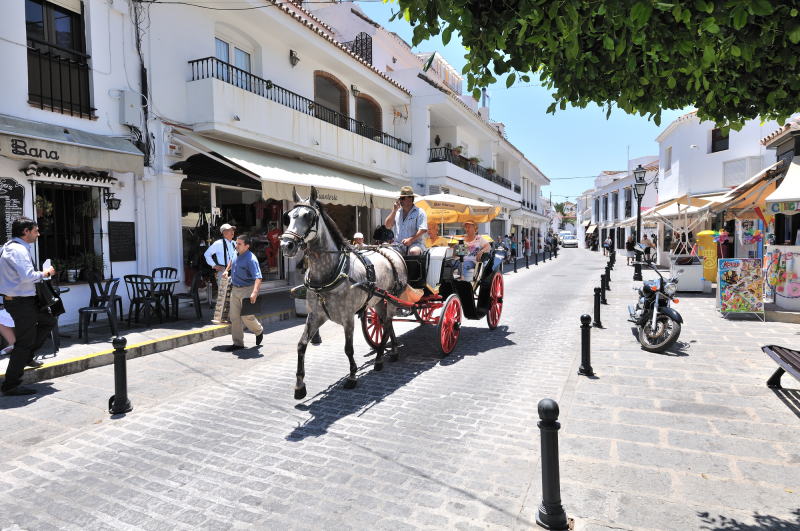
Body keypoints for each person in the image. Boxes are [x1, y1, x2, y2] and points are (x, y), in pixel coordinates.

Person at [0, 217, 57, 396]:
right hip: (20, 302)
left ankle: (28, 356)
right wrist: (46, 272)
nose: (38, 234)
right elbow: (28, 276)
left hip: (24, 301)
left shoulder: (10, 247)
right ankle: (11, 384)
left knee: (48, 321)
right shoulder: (17, 250)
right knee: (23, 343)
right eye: (35, 231)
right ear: (26, 231)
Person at [222, 234, 264, 351]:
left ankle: (258, 330)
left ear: (247, 246)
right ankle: (238, 343)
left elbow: (258, 277)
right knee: (234, 317)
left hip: (247, 289)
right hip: (235, 289)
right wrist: (226, 270)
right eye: (236, 243)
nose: (236, 245)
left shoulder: (251, 259)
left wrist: (254, 292)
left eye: (239, 244)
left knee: (247, 317)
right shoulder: (236, 253)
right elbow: (232, 260)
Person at [205, 223, 236, 323]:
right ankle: (223, 317)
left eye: (232, 230)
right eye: (229, 230)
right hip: (223, 271)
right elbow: (207, 254)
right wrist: (214, 265)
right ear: (224, 233)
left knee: (233, 294)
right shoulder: (218, 243)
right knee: (224, 294)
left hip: (235, 271)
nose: (232, 232)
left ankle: (232, 317)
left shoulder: (235, 243)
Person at [384, 186, 427, 255]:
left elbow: (423, 229)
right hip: (398, 245)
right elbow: (387, 226)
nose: (400, 200)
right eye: (400, 198)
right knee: (386, 252)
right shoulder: (397, 212)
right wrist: (394, 211)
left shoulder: (420, 212)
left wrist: (411, 239)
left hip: (415, 244)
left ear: (410, 198)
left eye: (402, 198)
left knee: (413, 252)